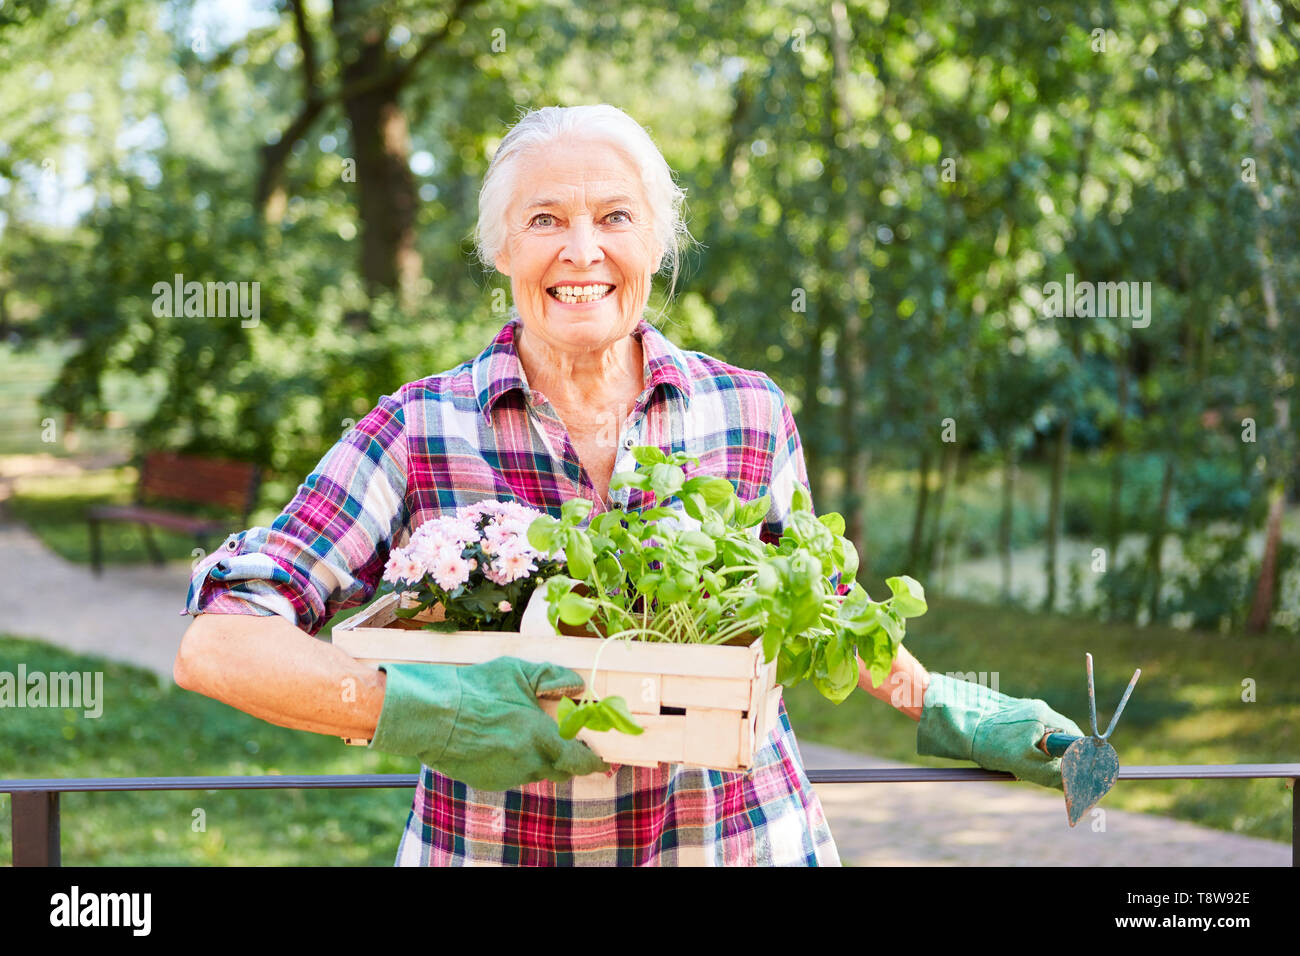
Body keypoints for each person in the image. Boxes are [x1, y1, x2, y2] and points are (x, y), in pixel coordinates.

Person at [173, 103, 1082, 866]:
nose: (581, 251)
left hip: (739, 840)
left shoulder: (748, 412)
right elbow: (215, 645)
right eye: (544, 220)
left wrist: (959, 711)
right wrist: (407, 711)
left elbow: (823, 604)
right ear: (499, 250)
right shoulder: (420, 430)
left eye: (614, 217)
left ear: (656, 241)